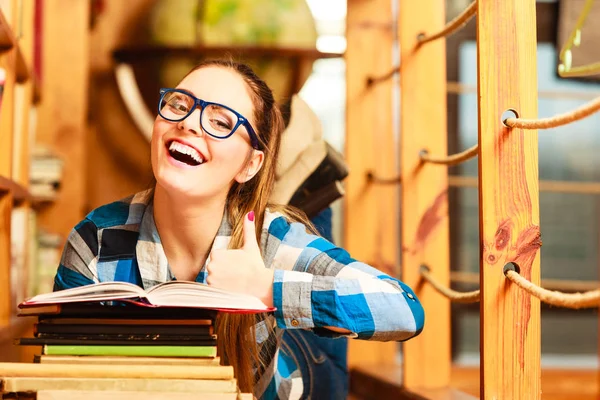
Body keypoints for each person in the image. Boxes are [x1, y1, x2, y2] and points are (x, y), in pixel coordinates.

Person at [53, 59, 424, 400]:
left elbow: (405, 310)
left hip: (299, 369)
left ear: (250, 164)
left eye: (220, 122)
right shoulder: (95, 240)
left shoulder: (273, 239)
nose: (188, 123)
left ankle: (306, 172)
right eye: (179, 105)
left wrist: (266, 289)